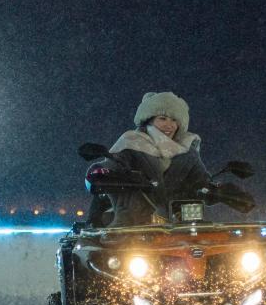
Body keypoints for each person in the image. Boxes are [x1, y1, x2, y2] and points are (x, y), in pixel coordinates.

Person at [86, 91, 213, 227]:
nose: (169, 125)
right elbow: (114, 164)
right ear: (149, 119)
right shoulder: (131, 143)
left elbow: (201, 181)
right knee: (116, 244)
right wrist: (101, 172)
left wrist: (220, 190)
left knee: (214, 245)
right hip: (132, 225)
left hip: (180, 227)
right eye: (163, 118)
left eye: (174, 119)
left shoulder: (187, 150)